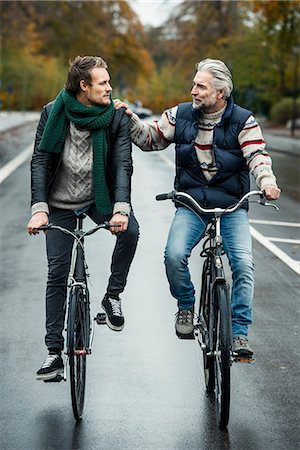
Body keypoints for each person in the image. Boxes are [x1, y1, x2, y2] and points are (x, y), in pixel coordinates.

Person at [114, 58, 280, 357]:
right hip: (191, 204)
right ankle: (186, 306)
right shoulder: (180, 116)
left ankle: (239, 333)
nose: (193, 91)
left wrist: (267, 182)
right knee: (174, 254)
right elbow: (150, 139)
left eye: (200, 86)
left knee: (243, 265)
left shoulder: (243, 121)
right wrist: (129, 119)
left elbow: (257, 154)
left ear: (220, 93)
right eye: (194, 84)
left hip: (231, 205)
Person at [27, 56, 139, 381]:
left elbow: (122, 164)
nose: (109, 87)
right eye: (103, 83)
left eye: (108, 82)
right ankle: (53, 353)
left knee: (130, 230)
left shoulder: (115, 116)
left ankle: (112, 295)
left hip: (97, 197)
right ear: (83, 86)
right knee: (57, 273)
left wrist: (120, 208)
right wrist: (39, 209)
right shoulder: (52, 113)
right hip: (58, 203)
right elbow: (40, 162)